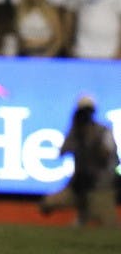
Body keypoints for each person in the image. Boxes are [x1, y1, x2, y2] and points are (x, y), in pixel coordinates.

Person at [40, 97, 118, 227]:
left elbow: (107, 156)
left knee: (109, 226)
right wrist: (77, 135)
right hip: (78, 186)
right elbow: (62, 151)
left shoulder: (103, 131)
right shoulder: (75, 131)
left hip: (100, 188)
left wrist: (92, 142)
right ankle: (82, 218)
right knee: (46, 204)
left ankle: (84, 218)